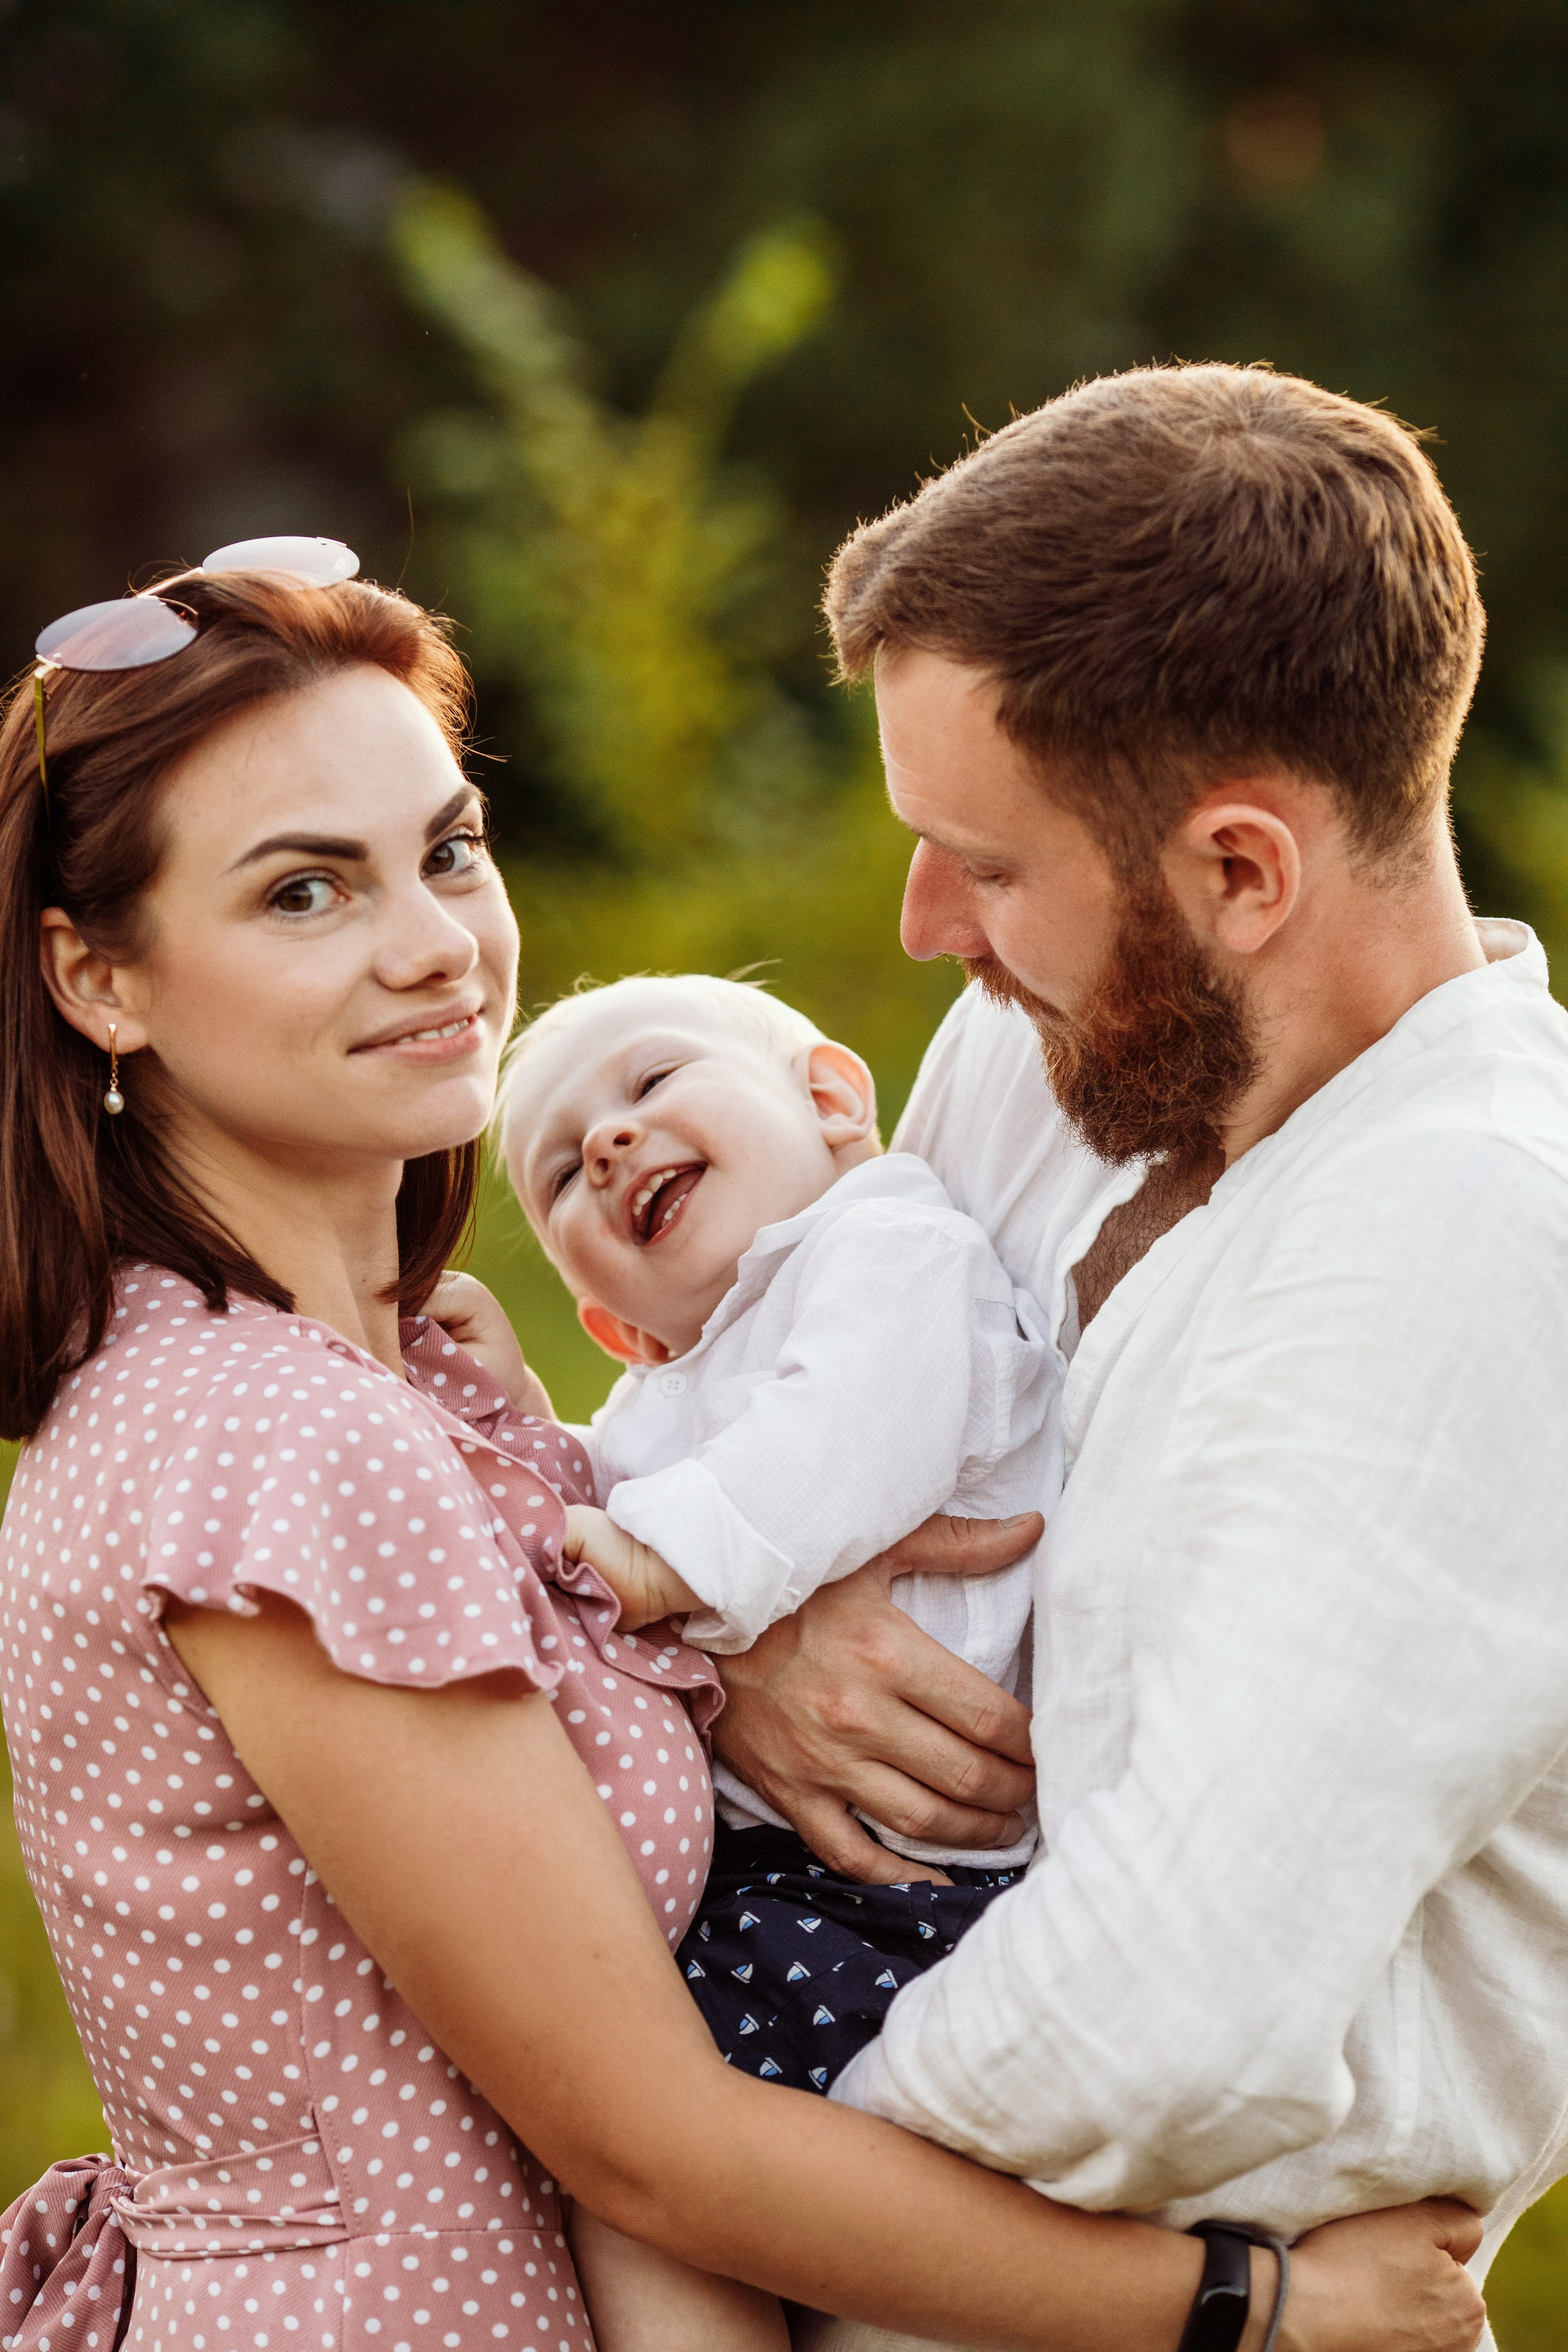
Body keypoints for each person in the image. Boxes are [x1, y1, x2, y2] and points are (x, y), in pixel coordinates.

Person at [0, 555, 1484, 2352]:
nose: (433, 946)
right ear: (101, 978)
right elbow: (653, 2146)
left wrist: (734, 1630)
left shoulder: (381, 1382)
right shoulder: (267, 1439)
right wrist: (1257, 2301)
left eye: (448, 851)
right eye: (305, 891)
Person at [701, 362, 1568, 2347]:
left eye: (989, 864)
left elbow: (1165, 2011)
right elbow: (796, 1431)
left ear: (1243, 872)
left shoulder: (1477, 1245)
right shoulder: (1037, 1055)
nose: (928, 926)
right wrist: (740, 1641)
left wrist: (724, 2178)